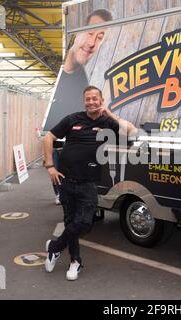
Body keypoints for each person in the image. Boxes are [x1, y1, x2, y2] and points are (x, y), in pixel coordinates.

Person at [43, 85, 137, 280]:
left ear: (101, 101)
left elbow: (132, 131)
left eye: (95, 98)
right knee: (71, 222)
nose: (91, 102)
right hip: (66, 181)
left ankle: (55, 246)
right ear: (84, 101)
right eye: (88, 99)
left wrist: (110, 114)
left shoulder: (107, 122)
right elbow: (48, 137)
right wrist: (50, 166)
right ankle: (75, 262)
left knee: (84, 223)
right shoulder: (73, 119)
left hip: (88, 183)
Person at [43, 9, 113, 131]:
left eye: (99, 38)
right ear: (77, 33)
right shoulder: (52, 73)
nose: (92, 43)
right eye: (90, 33)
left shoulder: (84, 88)